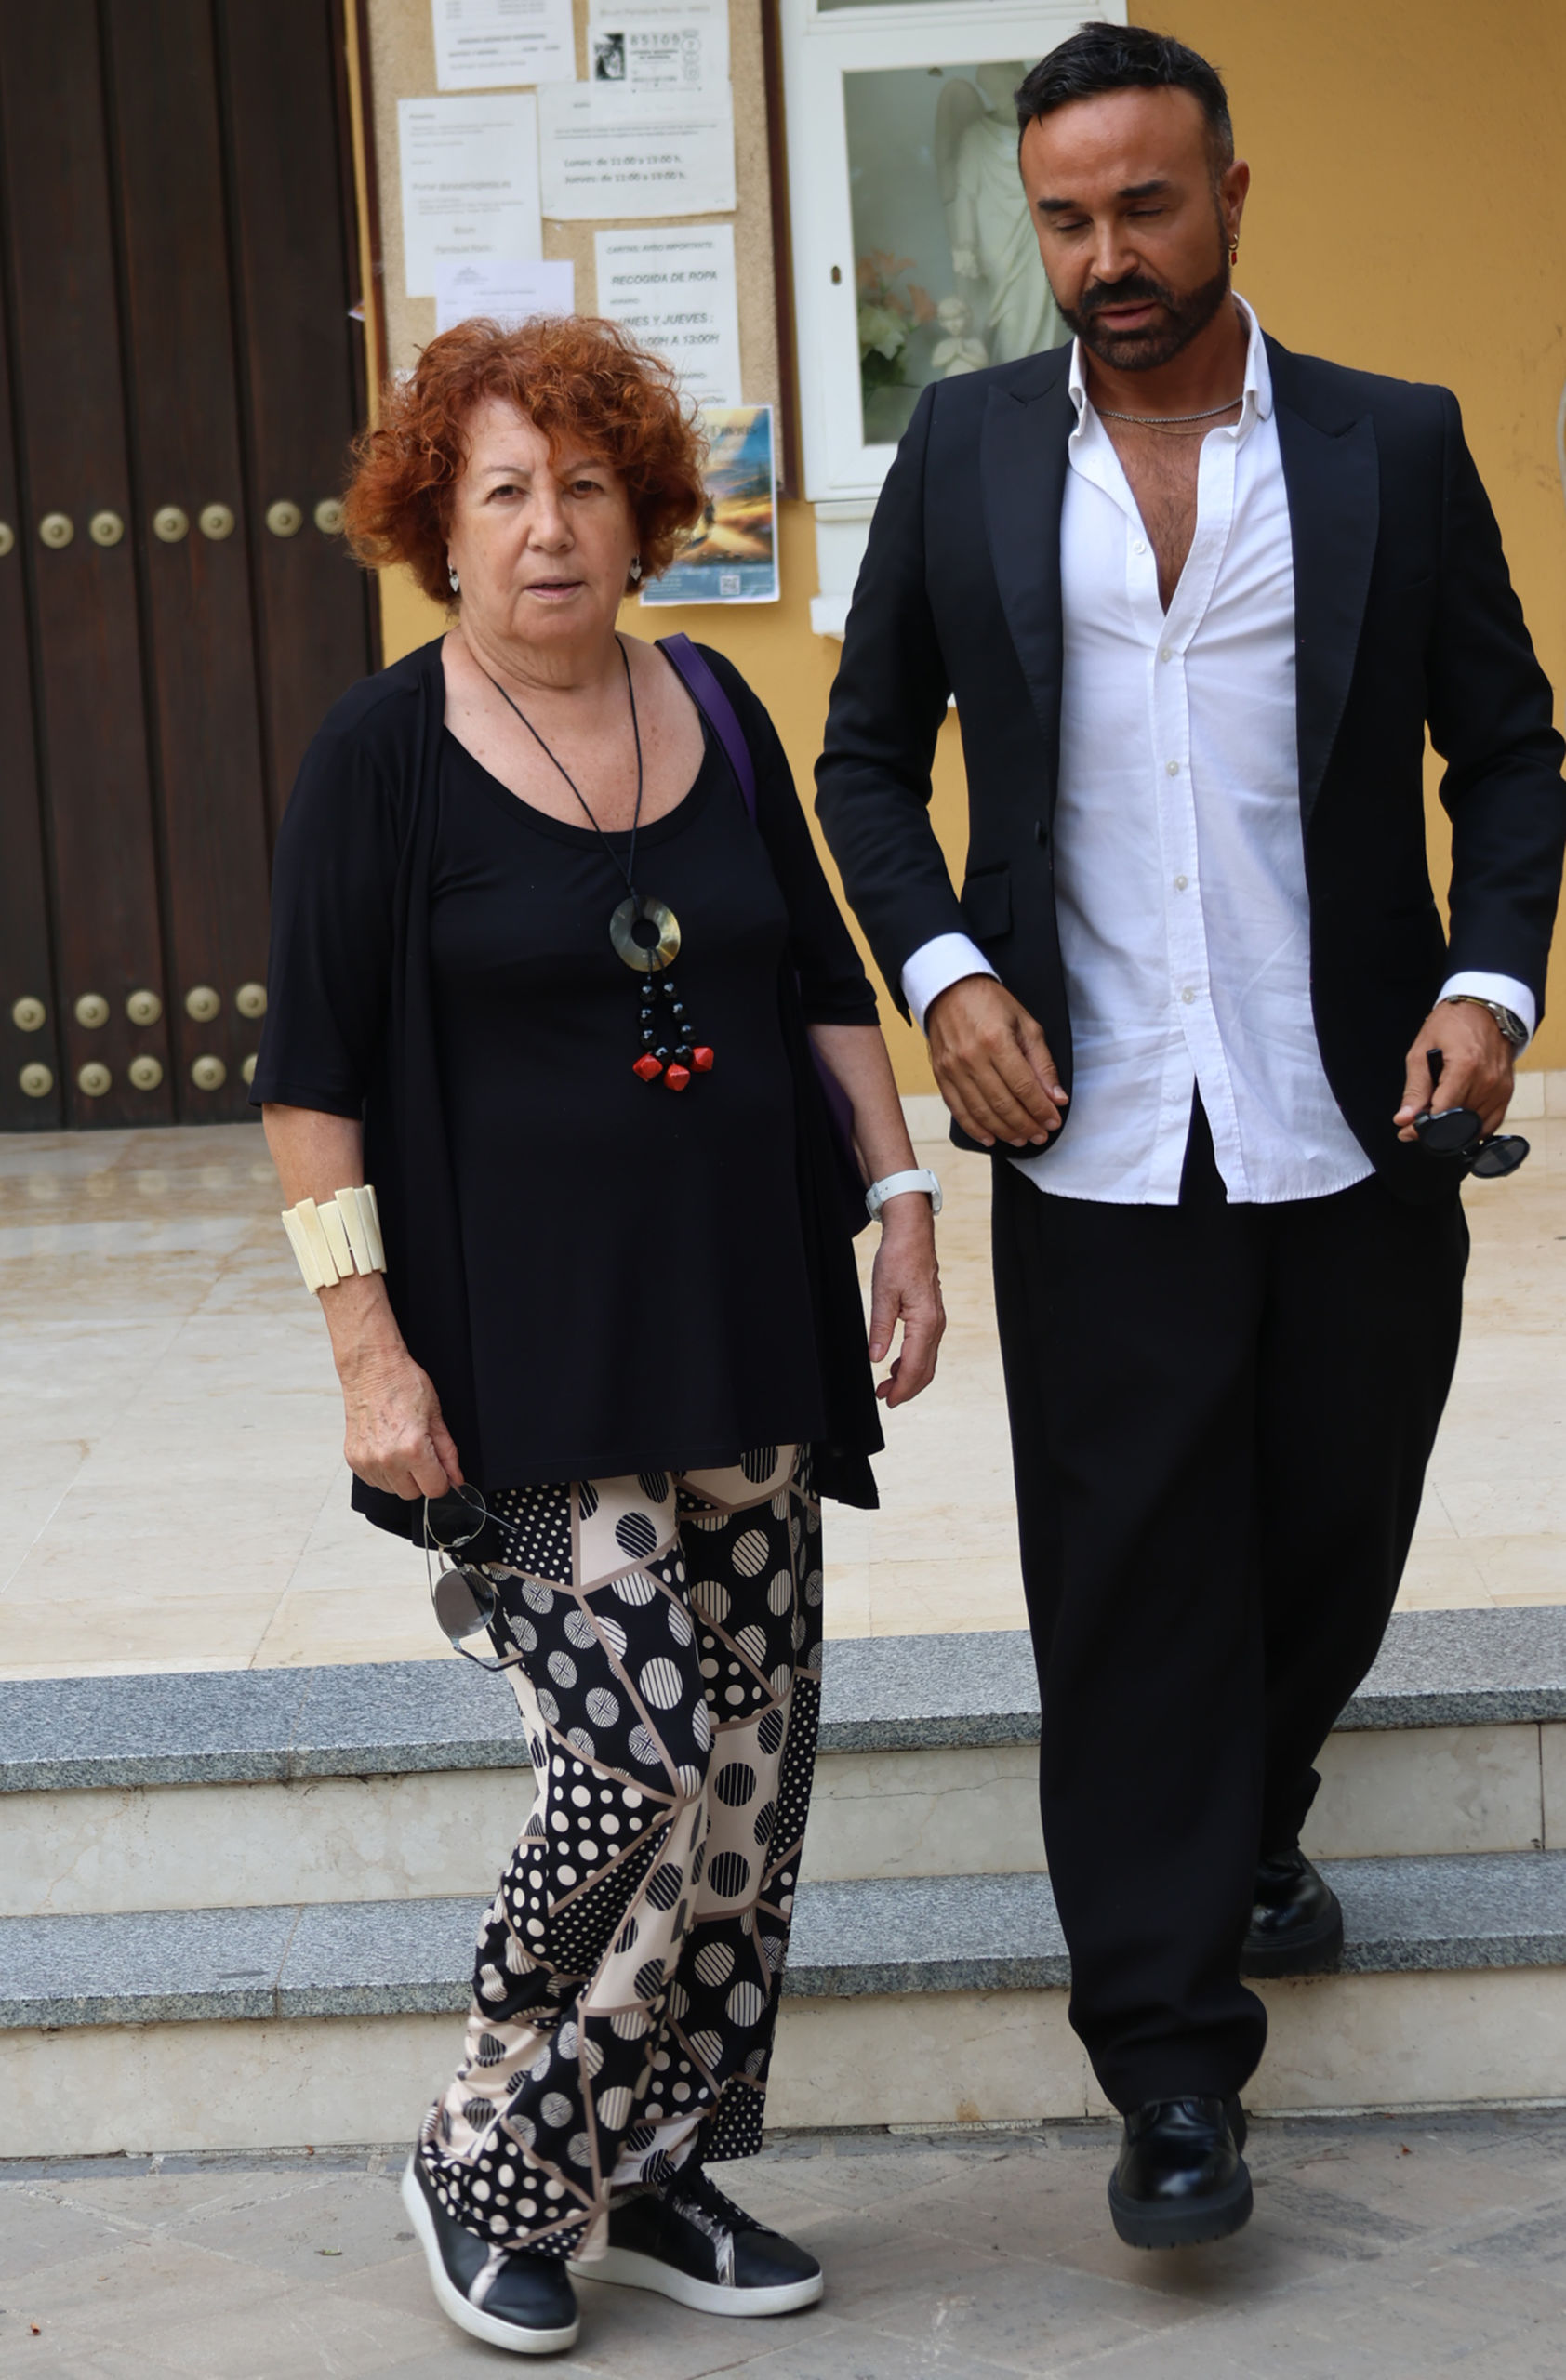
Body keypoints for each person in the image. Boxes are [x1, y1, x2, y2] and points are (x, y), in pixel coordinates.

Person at [816, 23, 1565, 2250]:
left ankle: (1248, 1805)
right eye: (1062, 218)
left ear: (1230, 193)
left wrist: (1488, 982)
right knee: (1130, 1584)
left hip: (1354, 1113)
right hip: (1087, 1125)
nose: (1104, 255)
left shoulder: (1386, 444)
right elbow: (864, 760)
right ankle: (1165, 2066)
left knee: (1332, 1525)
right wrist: (945, 973)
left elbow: (1506, 753)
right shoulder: (963, 452)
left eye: (1142, 206)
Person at [253, 313, 944, 2354]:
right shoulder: (379, 755)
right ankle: (488, 2150)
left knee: (746, 1773)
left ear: (642, 514)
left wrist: (900, 1201)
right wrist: (365, 1352)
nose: (546, 527)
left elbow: (817, 980)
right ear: (436, 527)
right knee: (630, 1755)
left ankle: (649, 2167)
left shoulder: (715, 702)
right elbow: (310, 1085)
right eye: (501, 492)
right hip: (523, 1362)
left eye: (581, 486)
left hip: (744, 1314)